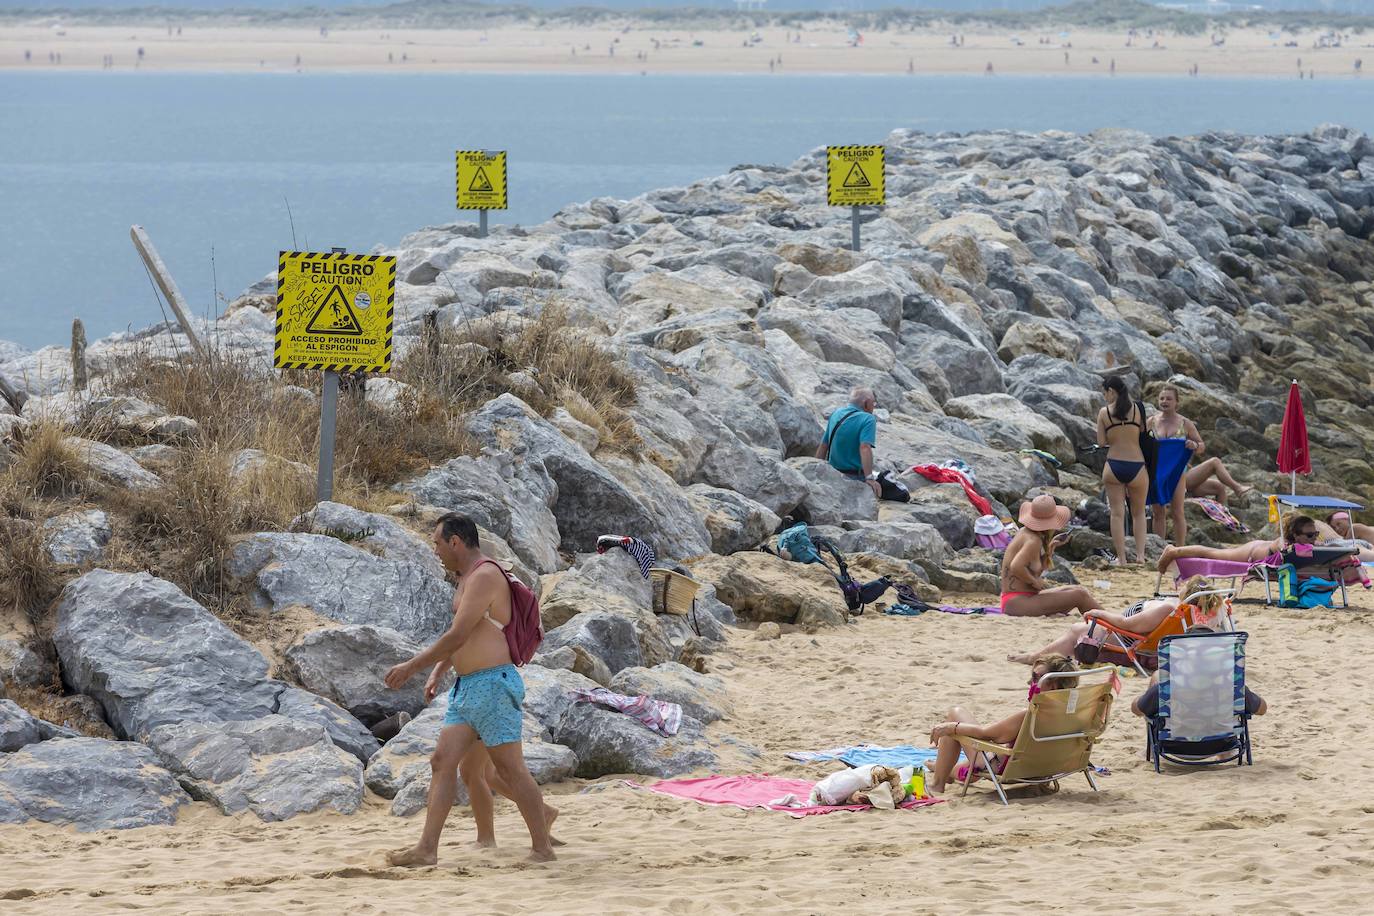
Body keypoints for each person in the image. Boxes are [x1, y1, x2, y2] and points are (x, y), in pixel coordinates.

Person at [384, 513, 556, 865]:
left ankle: (542, 849)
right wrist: (438, 671)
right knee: (443, 762)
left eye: (436, 542)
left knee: (508, 770)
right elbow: (463, 634)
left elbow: (459, 635)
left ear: (455, 542)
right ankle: (427, 850)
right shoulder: (465, 580)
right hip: (467, 688)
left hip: (493, 685)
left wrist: (411, 667)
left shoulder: (485, 576)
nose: (435, 550)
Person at [926, 653, 1080, 794]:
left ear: (1052, 685)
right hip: (1044, 769)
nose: (1029, 682)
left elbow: (986, 735)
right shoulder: (1078, 714)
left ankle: (938, 783)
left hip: (1008, 769)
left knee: (955, 713)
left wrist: (951, 727)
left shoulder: (1029, 716)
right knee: (965, 765)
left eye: (1035, 677)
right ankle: (940, 768)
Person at [1008, 576, 1220, 664]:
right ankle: (1038, 656)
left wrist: (1099, 614)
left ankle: (1034, 658)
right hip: (1135, 637)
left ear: (1188, 591)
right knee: (1078, 630)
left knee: (1076, 630)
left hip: (1127, 640)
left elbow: (1127, 625)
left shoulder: (1169, 609)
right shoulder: (1194, 613)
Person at [1000, 494, 1102, 617]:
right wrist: (1034, 582)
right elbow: (1016, 566)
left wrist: (1051, 547)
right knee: (1079, 596)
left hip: (1018, 599)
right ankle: (1114, 623)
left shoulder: (1026, 533)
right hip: (1018, 602)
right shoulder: (1033, 541)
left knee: (1079, 590)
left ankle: (1113, 620)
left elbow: (1034, 568)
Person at [1097, 375, 1148, 564]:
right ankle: (1141, 557)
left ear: (1111, 391)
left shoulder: (1104, 413)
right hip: (1137, 465)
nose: (1104, 398)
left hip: (1114, 465)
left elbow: (1101, 442)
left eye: (1105, 393)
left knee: (1117, 514)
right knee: (1139, 513)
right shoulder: (1138, 409)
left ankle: (1122, 558)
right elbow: (1143, 431)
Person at [1156, 514, 1314, 574]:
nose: (1314, 538)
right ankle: (1174, 551)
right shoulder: (1284, 542)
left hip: (1259, 546)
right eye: (1310, 535)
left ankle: (1176, 550)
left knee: (1215, 552)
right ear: (1295, 535)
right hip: (1250, 553)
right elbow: (1284, 548)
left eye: (1316, 534)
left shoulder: (1306, 544)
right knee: (1213, 554)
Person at [1147, 385, 1204, 546]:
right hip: (1156, 471)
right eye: (1162, 398)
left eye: (1169, 398)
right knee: (1158, 512)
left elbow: (1202, 446)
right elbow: (1138, 443)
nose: (1165, 401)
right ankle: (1159, 548)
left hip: (1177, 472)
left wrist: (1194, 445)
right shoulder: (1151, 422)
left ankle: (1180, 549)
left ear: (1177, 402)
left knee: (1177, 511)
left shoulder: (1185, 423)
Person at [815, 387, 881, 499]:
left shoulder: (836, 413)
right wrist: (869, 478)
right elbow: (865, 447)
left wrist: (815, 467)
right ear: (866, 403)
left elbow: (824, 444)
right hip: (854, 476)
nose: (873, 407)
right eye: (873, 403)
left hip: (833, 473)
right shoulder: (868, 419)